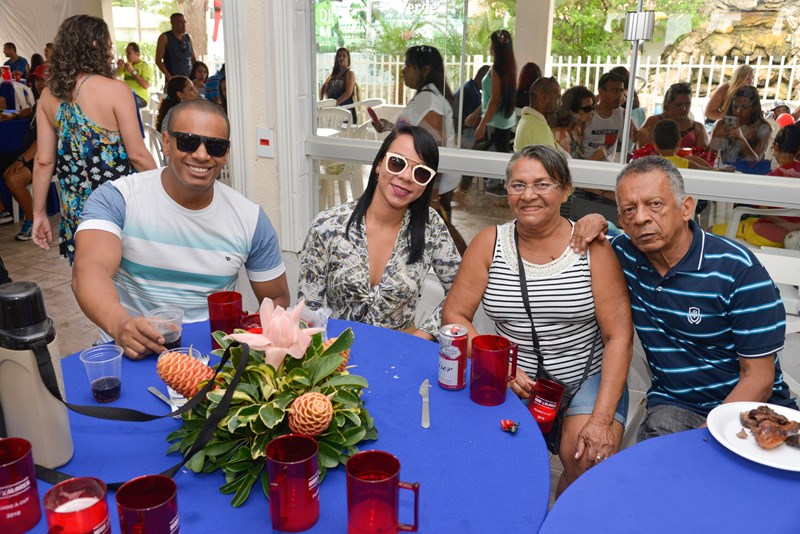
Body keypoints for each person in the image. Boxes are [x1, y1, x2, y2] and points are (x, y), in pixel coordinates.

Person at [442, 145, 632, 495]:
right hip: (516, 380)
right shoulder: (488, 244)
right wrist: (498, 364)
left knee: (586, 459)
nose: (529, 195)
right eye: (518, 185)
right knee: (498, 461)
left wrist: (602, 419)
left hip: (586, 376)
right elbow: (454, 314)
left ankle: (562, 514)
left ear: (566, 189)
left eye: (542, 184)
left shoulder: (593, 246)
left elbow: (618, 335)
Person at [571, 156, 797, 440]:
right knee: (657, 461)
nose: (640, 218)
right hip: (676, 405)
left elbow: (759, 378)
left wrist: (708, 438)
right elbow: (589, 234)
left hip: (751, 408)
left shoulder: (737, 269)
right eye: (629, 209)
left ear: (686, 208)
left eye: (655, 204)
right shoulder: (623, 255)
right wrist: (594, 220)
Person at [72, 99, 290, 359]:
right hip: (132, 351)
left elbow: (276, 299)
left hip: (209, 358)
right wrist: (121, 325)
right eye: (188, 141)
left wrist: (248, 337)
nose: (201, 155)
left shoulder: (250, 218)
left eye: (215, 146)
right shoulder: (119, 198)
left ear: (226, 153)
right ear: (166, 142)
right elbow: (89, 269)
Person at [298, 125, 461, 341]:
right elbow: (307, 312)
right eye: (397, 163)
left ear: (427, 183)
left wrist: (423, 335)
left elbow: (461, 292)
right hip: (337, 351)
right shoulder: (328, 226)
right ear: (379, 164)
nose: (406, 176)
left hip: (402, 349)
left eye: (420, 173)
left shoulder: (431, 227)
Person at [31, 15, 157, 264]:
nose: (111, 53)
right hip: (119, 204)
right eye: (109, 46)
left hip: (77, 211)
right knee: (126, 280)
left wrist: (38, 213)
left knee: (89, 276)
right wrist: (164, 195)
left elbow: (43, 162)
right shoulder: (116, 90)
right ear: (95, 45)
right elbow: (138, 155)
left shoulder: (47, 96)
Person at [371, 45, 462, 245]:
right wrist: (391, 128)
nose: (403, 71)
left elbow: (433, 148)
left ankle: (466, 261)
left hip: (431, 183)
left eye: (408, 66)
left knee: (441, 235)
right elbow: (416, 133)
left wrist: (434, 195)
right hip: (425, 180)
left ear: (425, 70)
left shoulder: (430, 100)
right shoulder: (425, 97)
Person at [465, 30, 517, 195]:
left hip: (494, 122)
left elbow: (494, 100)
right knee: (498, 155)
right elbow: (492, 98)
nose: (489, 47)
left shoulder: (496, 70)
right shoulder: (509, 68)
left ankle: (470, 188)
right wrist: (476, 114)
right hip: (504, 121)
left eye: (491, 45)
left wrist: (482, 123)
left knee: (477, 155)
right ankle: (493, 185)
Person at [2, 70, 47, 241]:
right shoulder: (41, 101)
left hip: (46, 157)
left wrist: (22, 160)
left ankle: (33, 221)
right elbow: (28, 111)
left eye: (43, 80)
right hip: (28, 152)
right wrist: (13, 115)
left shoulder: (57, 104)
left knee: (14, 178)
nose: (39, 83)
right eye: (36, 80)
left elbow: (45, 140)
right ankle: (3, 213)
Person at [709, 85, 771, 173]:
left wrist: (741, 138)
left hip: (751, 175)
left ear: (754, 108)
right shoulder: (722, 124)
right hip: (727, 171)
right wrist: (718, 138)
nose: (738, 111)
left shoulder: (762, 128)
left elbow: (754, 163)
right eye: (735, 107)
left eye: (744, 107)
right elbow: (709, 157)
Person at [582, 71, 637, 163]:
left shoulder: (623, 114)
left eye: (621, 91)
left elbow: (638, 137)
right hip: (584, 165)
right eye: (614, 91)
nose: (619, 95)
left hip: (609, 166)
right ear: (601, 92)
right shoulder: (587, 114)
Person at [638, 82, 708, 151]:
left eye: (687, 104)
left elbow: (702, 155)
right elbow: (641, 150)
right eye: (678, 105)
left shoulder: (698, 128)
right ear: (667, 104)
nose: (684, 109)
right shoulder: (653, 122)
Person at [552, 85, 605, 161]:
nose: (592, 111)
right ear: (572, 111)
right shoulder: (561, 134)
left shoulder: (579, 129)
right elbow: (565, 165)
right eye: (587, 109)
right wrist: (595, 157)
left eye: (593, 107)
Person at [513, 77, 563, 153]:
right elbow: (550, 160)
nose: (561, 103)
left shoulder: (527, 120)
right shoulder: (538, 127)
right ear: (544, 97)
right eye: (558, 97)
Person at [155, 13, 196, 82]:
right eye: (180, 23)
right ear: (173, 23)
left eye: (184, 22)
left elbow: (193, 59)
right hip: (173, 79)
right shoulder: (165, 37)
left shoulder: (188, 38)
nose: (183, 25)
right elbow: (158, 60)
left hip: (188, 79)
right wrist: (169, 77)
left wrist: (194, 75)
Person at [319, 47, 357, 120]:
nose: (341, 58)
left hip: (344, 109)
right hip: (332, 109)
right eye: (339, 56)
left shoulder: (349, 73)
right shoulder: (334, 74)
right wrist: (321, 102)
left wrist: (334, 104)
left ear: (348, 58)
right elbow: (323, 87)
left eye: (344, 56)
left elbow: (348, 93)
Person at [116, 42, 153, 108]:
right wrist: (119, 66)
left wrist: (133, 72)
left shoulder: (145, 66)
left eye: (129, 53)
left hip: (140, 97)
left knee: (124, 103)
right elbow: (115, 75)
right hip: (126, 95)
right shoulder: (127, 65)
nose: (126, 55)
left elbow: (146, 85)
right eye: (126, 53)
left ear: (137, 54)